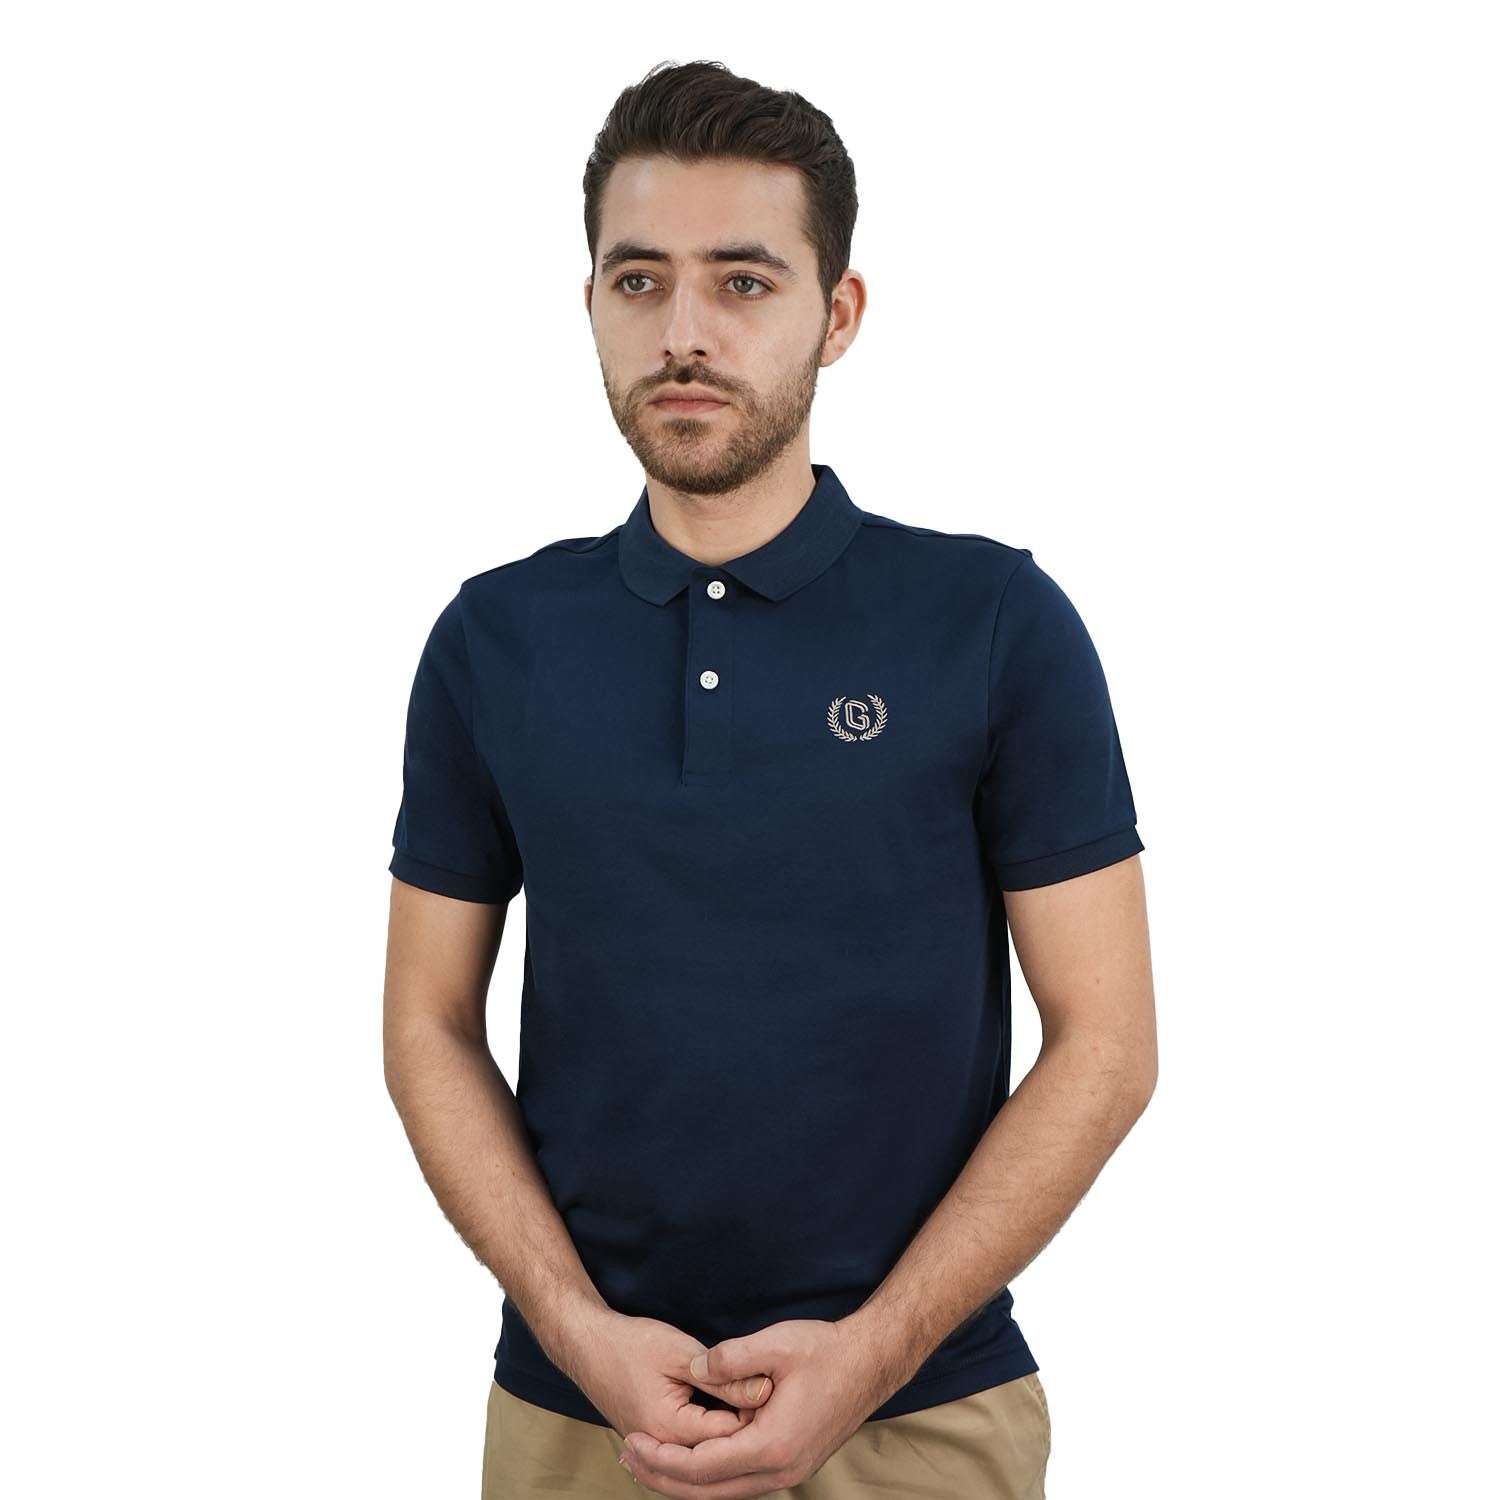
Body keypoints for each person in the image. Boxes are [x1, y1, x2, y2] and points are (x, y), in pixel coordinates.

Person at [383, 59, 1156, 1500]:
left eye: (743, 282)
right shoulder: (496, 637)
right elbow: (427, 1024)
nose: (683, 332)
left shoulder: (995, 622)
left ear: (837, 313)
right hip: (582, 1420)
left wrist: (870, 1355)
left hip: (921, 1420)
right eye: (639, 282)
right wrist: (577, 1332)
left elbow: (1107, 1045)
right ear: (591, 302)